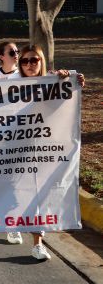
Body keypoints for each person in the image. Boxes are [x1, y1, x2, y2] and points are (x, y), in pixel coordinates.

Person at [13, 44, 85, 260]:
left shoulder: (54, 82)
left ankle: (38, 244)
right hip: (14, 151)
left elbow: (68, 100)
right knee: (14, 193)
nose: (29, 64)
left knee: (38, 195)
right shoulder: (9, 85)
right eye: (24, 61)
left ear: (42, 61)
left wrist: (73, 81)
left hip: (44, 150)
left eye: (34, 60)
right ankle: (12, 223)